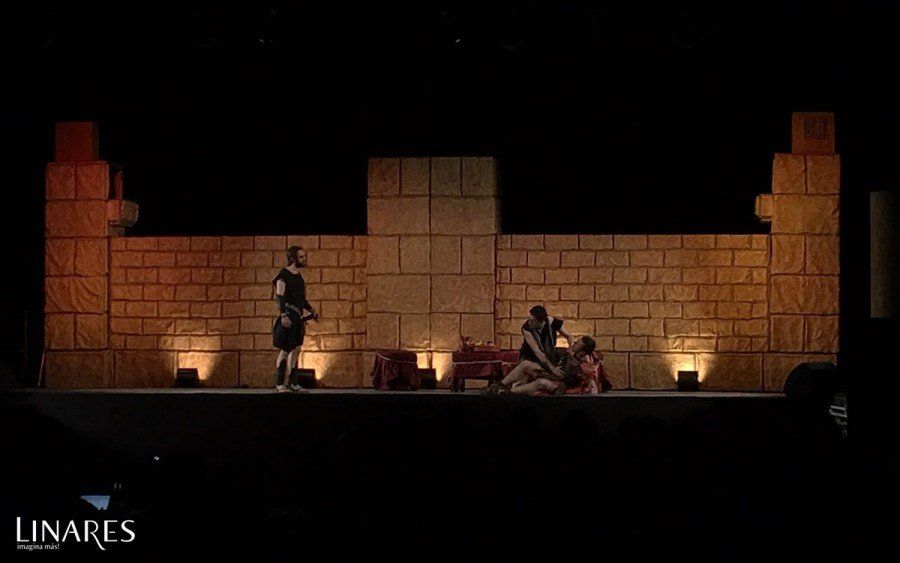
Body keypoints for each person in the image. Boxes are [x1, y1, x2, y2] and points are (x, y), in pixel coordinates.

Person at [487, 305, 574, 394]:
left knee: (528, 382)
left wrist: (571, 351)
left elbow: (569, 336)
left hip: (549, 359)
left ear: (541, 322)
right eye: (529, 319)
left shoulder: (552, 322)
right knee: (525, 366)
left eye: (532, 321)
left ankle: (506, 390)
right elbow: (538, 352)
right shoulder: (526, 328)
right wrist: (553, 369)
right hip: (531, 357)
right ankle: (500, 386)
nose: (529, 322)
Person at [272, 246, 317, 392]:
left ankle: (292, 382)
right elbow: (280, 297)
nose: (304, 259)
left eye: (304, 256)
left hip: (298, 317)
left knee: (296, 349)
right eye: (301, 257)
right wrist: (283, 315)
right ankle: (279, 383)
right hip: (289, 316)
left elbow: (301, 300)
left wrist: (311, 310)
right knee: (285, 349)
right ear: (293, 258)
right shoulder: (283, 275)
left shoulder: (298, 277)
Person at [509, 336, 603, 396]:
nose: (574, 343)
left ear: (582, 352)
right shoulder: (568, 353)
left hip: (562, 385)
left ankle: (509, 392)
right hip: (553, 375)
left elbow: (592, 384)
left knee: (540, 382)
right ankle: (503, 385)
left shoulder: (585, 365)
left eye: (577, 344)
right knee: (527, 364)